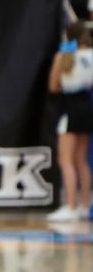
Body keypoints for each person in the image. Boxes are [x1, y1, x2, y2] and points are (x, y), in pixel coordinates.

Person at [47, 21, 93, 221]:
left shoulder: (64, 56)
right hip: (88, 106)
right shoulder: (91, 56)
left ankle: (71, 206)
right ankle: (85, 205)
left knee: (65, 159)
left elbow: (53, 86)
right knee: (81, 159)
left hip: (71, 108)